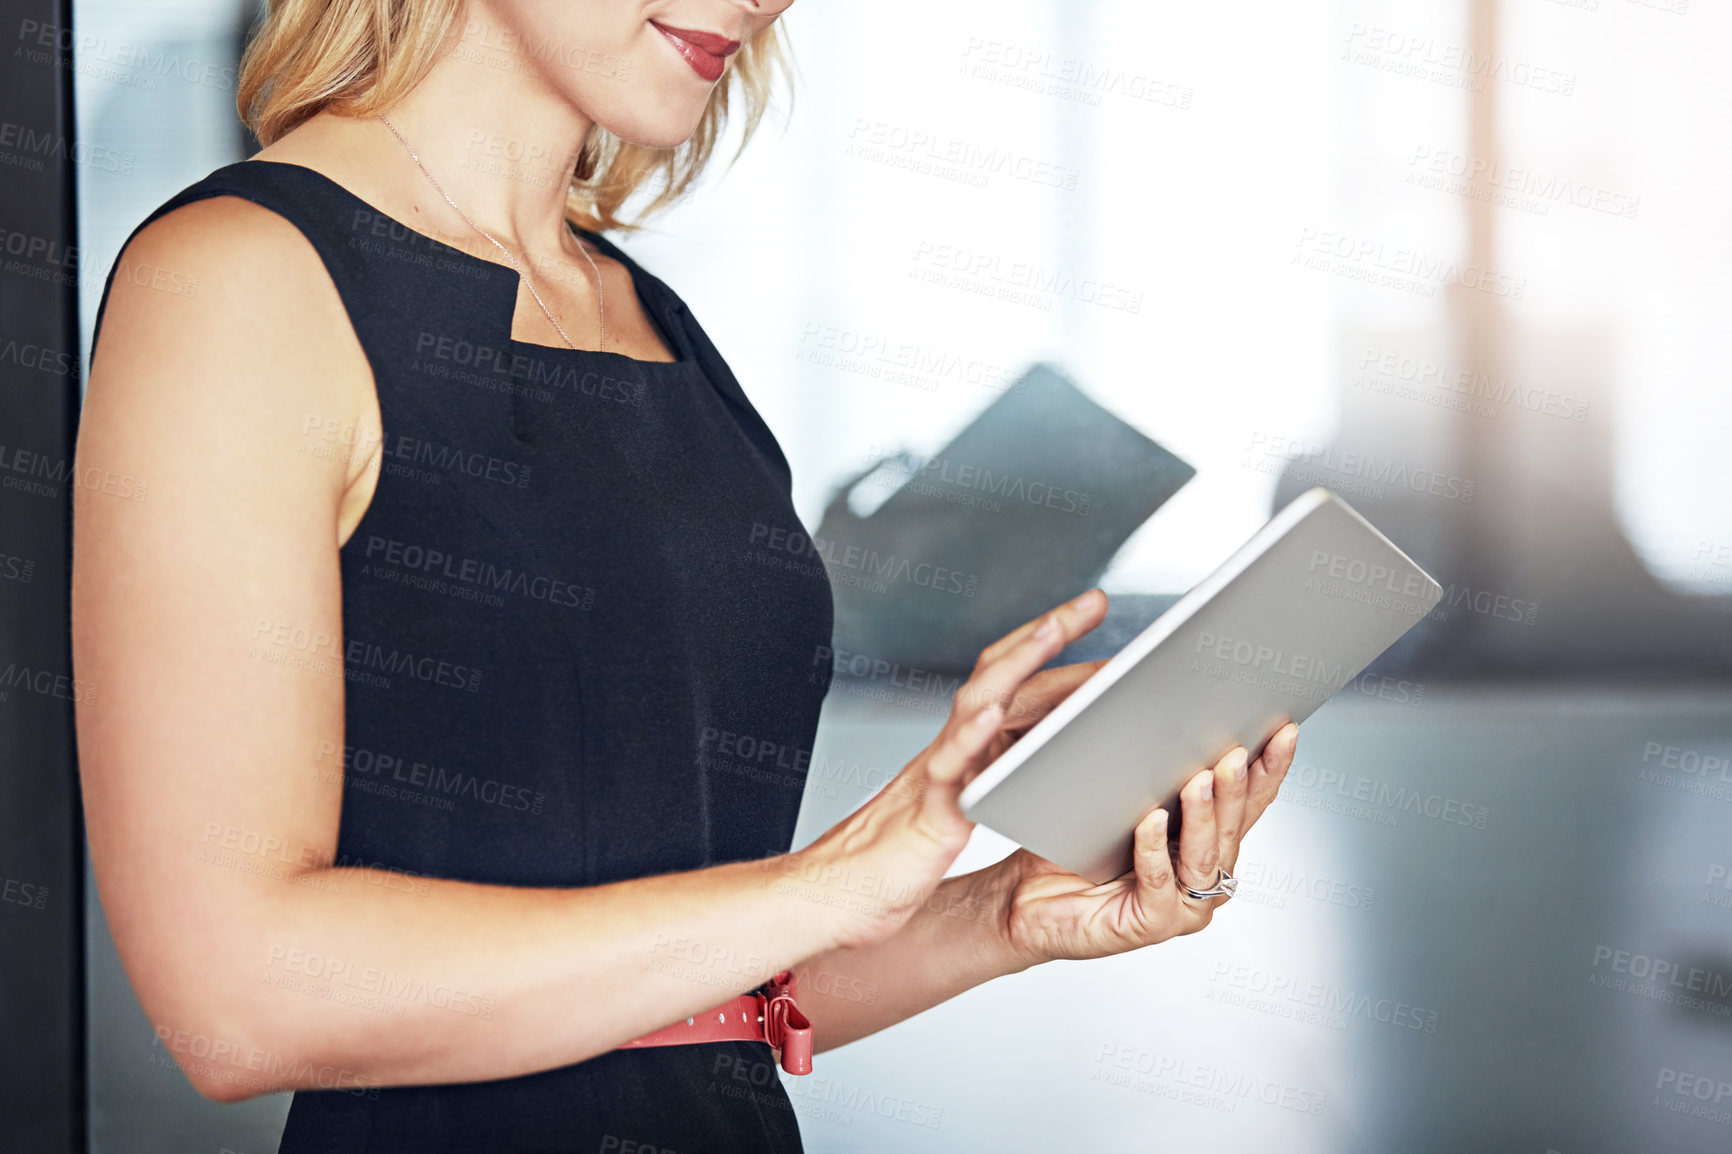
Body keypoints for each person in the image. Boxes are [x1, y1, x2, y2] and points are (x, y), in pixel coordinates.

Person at [70, 2, 1299, 1150]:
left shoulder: (648, 317)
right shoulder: (238, 282)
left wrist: (993, 910)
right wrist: (825, 882)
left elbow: (691, 996)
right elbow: (234, 997)